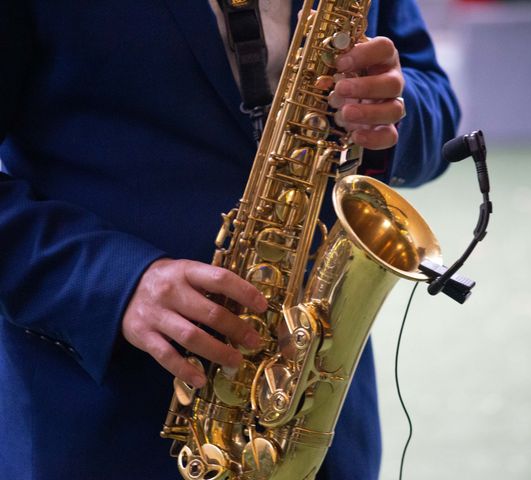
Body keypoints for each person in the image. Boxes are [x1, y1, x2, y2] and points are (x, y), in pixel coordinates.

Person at [0, 0, 459, 478]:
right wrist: (113, 283)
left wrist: (385, 113)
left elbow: (435, 99)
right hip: (101, 416)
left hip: (312, 408)